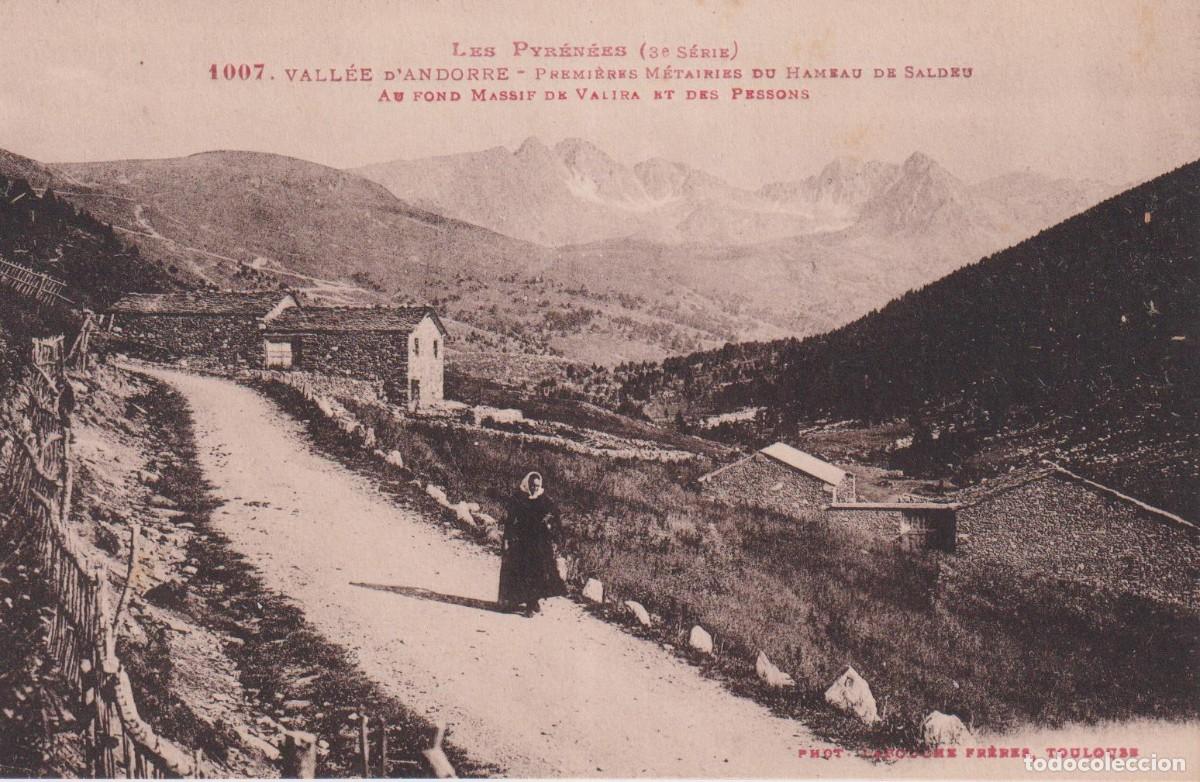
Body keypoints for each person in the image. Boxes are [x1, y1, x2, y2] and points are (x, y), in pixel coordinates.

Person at [498, 471, 566, 616]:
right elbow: (510, 521)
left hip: (540, 542)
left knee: (539, 572)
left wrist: (550, 522)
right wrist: (506, 539)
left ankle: (533, 600)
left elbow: (556, 513)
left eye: (537, 485)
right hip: (523, 541)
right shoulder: (519, 498)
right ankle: (527, 604)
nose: (535, 488)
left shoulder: (544, 499)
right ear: (528, 484)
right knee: (524, 572)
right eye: (532, 485)